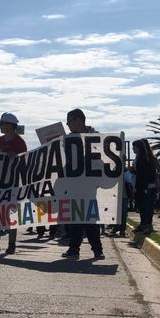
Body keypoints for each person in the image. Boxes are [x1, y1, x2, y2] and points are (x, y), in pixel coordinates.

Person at [61, 109, 105, 260]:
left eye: (69, 121)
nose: (67, 125)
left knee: (90, 219)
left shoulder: (95, 136)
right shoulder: (68, 139)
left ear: (78, 121)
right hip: (74, 184)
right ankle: (74, 249)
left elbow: (101, 157)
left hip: (89, 184)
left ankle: (97, 250)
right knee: (74, 219)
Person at [0, 112, 27, 255]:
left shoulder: (20, 142)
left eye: (2, 123)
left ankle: (12, 243)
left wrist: (14, 157)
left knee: (11, 215)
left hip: (13, 184)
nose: (0, 126)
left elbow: (24, 162)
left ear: (10, 125)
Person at [131, 139, 156, 235]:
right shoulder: (140, 158)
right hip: (141, 186)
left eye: (134, 147)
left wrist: (143, 188)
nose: (133, 149)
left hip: (145, 187)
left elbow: (144, 174)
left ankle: (146, 226)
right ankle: (142, 225)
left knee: (146, 207)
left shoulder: (144, 159)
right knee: (142, 207)